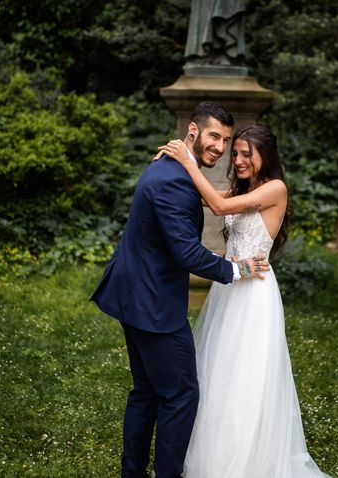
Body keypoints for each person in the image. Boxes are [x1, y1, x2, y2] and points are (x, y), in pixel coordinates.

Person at [91, 101, 270, 478]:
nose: (220, 148)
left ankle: (132, 471)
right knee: (180, 394)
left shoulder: (174, 167)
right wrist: (235, 269)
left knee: (146, 391)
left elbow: (214, 202)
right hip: (153, 303)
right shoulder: (173, 178)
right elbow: (187, 252)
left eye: (225, 139)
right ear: (193, 131)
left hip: (134, 294)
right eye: (214, 137)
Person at [155, 125, 331, 477]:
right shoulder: (246, 190)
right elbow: (208, 196)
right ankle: (214, 453)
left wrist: (187, 160)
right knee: (219, 371)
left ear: (266, 155)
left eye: (246, 154)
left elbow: (218, 205)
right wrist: (172, 166)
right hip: (229, 287)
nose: (237, 160)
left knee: (246, 376)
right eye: (235, 154)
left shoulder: (275, 189)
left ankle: (245, 458)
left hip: (254, 294)